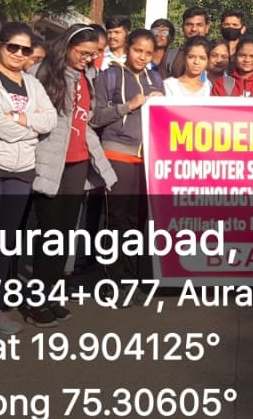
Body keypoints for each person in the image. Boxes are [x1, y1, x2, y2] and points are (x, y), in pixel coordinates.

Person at [0, 22, 56, 335]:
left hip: (22, 171)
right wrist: (29, 127)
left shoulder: (33, 84)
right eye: (13, 47)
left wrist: (20, 119)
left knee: (4, 243)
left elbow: (48, 120)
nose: (19, 54)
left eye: (25, 49)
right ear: (0, 46)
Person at [32, 25, 117, 322]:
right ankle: (36, 301)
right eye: (83, 52)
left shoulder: (86, 77)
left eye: (93, 54)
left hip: (77, 164)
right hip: (51, 162)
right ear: (67, 46)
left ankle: (51, 294)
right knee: (49, 233)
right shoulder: (43, 73)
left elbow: (86, 123)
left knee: (64, 235)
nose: (88, 58)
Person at [93, 28, 164, 279]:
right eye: (137, 50)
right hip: (116, 154)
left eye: (148, 53)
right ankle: (113, 276)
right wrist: (128, 106)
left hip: (146, 159)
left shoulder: (156, 80)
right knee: (116, 217)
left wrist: (160, 103)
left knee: (137, 218)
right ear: (128, 48)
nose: (142, 56)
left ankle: (131, 274)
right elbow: (95, 116)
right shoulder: (109, 76)